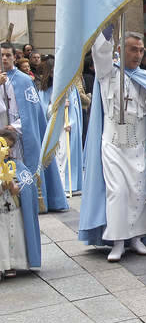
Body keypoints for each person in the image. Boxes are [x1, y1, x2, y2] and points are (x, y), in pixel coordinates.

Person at [81, 27, 146, 262]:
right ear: (120, 49)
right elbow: (100, 51)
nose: (137, 54)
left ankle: (137, 237)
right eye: (132, 49)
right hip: (114, 143)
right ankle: (117, 241)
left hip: (141, 144)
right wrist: (108, 23)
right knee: (117, 192)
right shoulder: (108, 73)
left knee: (140, 193)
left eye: (141, 50)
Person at [0, 43, 67, 213]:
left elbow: (32, 113)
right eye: (2, 55)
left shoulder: (24, 80)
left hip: (20, 135)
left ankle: (30, 200)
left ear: (14, 57)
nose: (4, 58)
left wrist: (14, 127)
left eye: (8, 55)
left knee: (22, 169)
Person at [36, 57, 84, 193]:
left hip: (67, 126)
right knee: (55, 157)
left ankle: (68, 184)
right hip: (53, 127)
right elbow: (44, 110)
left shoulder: (70, 88)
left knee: (66, 155)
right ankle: (57, 186)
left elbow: (75, 109)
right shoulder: (45, 90)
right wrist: (56, 106)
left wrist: (71, 123)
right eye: (52, 72)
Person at [0, 129, 40, 280]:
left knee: (13, 238)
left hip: (13, 208)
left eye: (10, 147)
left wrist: (16, 188)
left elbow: (26, 184)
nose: (7, 150)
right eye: (4, 146)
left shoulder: (16, 165)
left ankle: (12, 264)